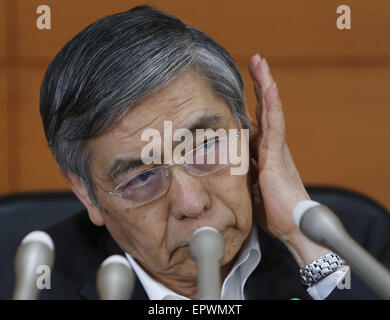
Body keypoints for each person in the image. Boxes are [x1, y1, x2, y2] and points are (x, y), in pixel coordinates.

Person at [0, 5, 389, 300]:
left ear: (249, 134)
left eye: (206, 146)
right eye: (142, 178)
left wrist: (305, 244)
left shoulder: (361, 246)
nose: (192, 202)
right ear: (86, 192)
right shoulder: (30, 284)